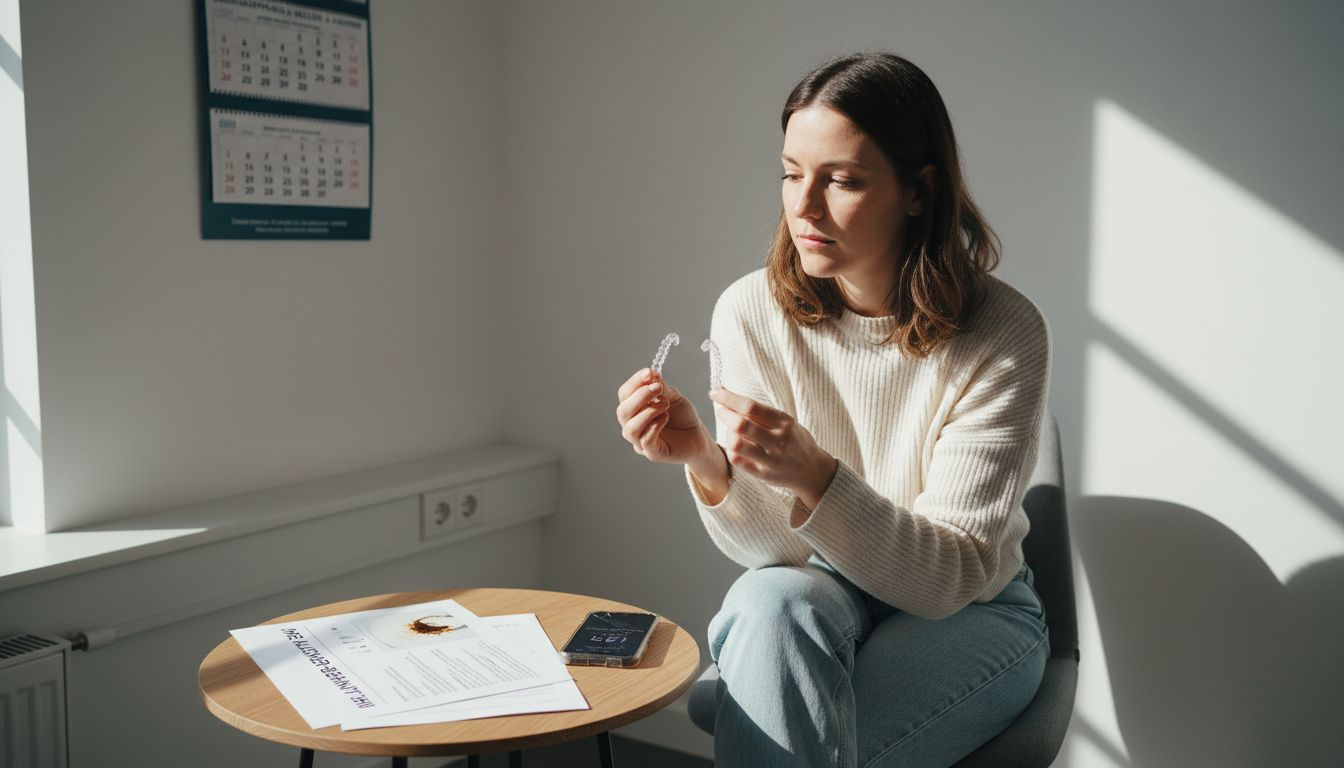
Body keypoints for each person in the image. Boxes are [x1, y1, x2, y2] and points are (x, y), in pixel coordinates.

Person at [615, 51, 1051, 768]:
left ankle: (749, 701)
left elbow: (946, 580)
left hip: (975, 611)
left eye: (842, 180)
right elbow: (778, 557)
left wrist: (819, 476)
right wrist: (707, 461)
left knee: (775, 735)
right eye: (791, 173)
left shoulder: (1003, 332)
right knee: (768, 603)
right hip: (826, 592)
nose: (804, 207)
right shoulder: (751, 310)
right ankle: (757, 695)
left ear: (918, 191)